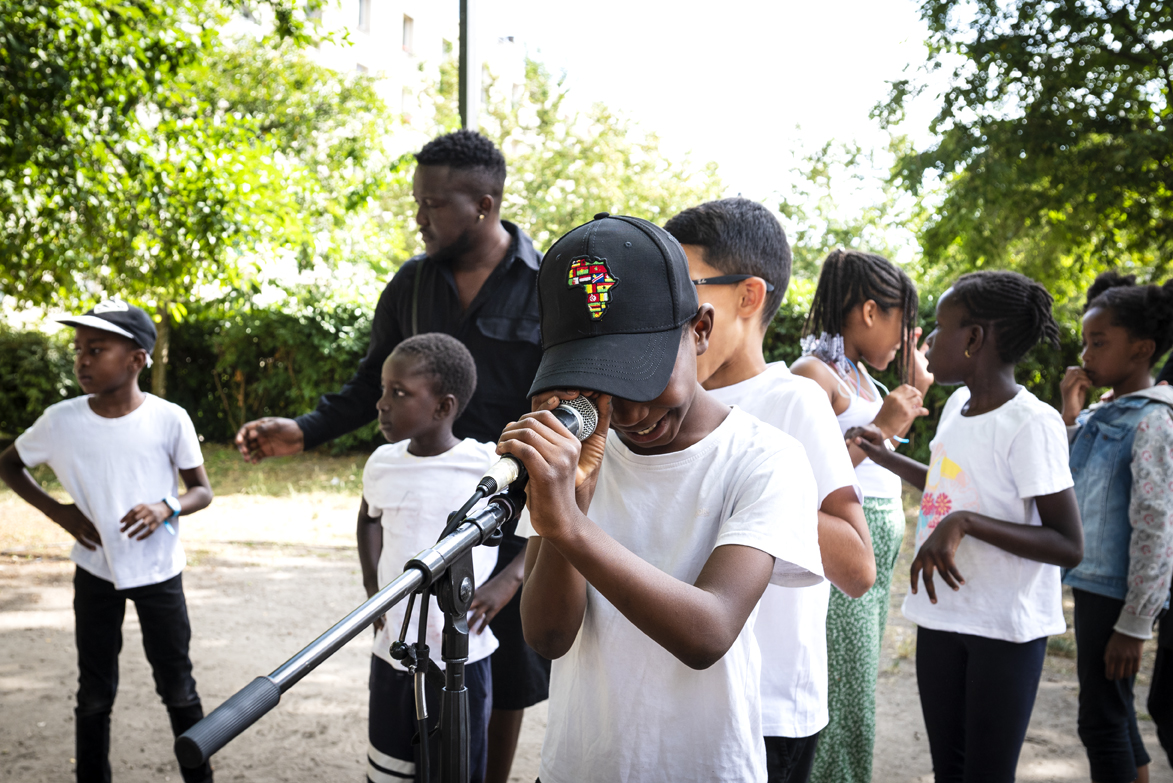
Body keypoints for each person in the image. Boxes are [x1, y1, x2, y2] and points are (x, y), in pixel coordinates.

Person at [232, 129, 548, 781]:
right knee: (414, 651)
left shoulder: (543, 289)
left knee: (502, 673)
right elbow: (371, 380)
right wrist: (304, 428)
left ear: (484, 205)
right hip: (420, 506)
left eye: (433, 204)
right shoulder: (410, 285)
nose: (418, 217)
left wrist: (524, 549)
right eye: (417, 201)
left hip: (509, 521)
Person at [504, 213, 824, 783]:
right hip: (578, 766)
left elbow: (709, 632)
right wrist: (566, 509)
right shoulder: (574, 463)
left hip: (707, 767)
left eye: (643, 376)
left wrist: (573, 528)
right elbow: (548, 637)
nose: (628, 413)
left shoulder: (764, 459)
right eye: (598, 384)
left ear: (699, 329)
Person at [663, 199, 873, 783]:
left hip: (768, 708)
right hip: (679, 691)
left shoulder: (790, 400)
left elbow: (857, 566)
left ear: (748, 297)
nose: (669, 314)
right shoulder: (657, 405)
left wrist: (754, 491)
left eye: (686, 290)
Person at [850, 271, 1085, 782]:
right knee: (948, 769)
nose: (929, 341)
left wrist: (965, 523)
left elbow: (1068, 544)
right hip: (941, 617)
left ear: (975, 338)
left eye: (940, 328)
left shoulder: (1032, 422)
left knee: (986, 772)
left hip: (1004, 629)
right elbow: (944, 487)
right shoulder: (957, 406)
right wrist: (880, 454)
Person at [0, 299, 215, 783]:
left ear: (137, 359)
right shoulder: (61, 421)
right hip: (96, 571)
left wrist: (167, 506)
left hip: (159, 572)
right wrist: (60, 512)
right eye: (78, 350)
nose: (82, 361)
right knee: (94, 691)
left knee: (178, 687)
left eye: (96, 350)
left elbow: (202, 490)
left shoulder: (169, 418)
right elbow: (8, 463)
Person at [788, 249, 930, 783]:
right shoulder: (813, 375)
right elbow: (808, 476)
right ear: (870, 312)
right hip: (846, 546)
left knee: (857, 680)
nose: (902, 337)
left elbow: (878, 440)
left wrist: (915, 389)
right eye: (901, 322)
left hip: (876, 543)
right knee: (842, 685)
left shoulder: (860, 377)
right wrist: (889, 429)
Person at [356, 333, 502, 783]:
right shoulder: (382, 461)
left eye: (398, 393)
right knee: (390, 768)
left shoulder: (487, 467)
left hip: (460, 659)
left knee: (450, 770)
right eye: (383, 389)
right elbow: (368, 519)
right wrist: (372, 589)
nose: (382, 403)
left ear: (443, 407)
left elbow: (538, 532)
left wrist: (507, 583)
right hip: (393, 653)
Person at [1059, 272, 1173, 783]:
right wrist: (1070, 416)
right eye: (1085, 341)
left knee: (1100, 722)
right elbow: (1061, 480)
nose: (1086, 354)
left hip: (1118, 597)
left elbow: (1156, 530)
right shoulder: (1107, 413)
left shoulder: (1151, 422)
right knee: (1116, 716)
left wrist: (1135, 623)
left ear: (1142, 350)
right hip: (1094, 585)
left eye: (1099, 342)